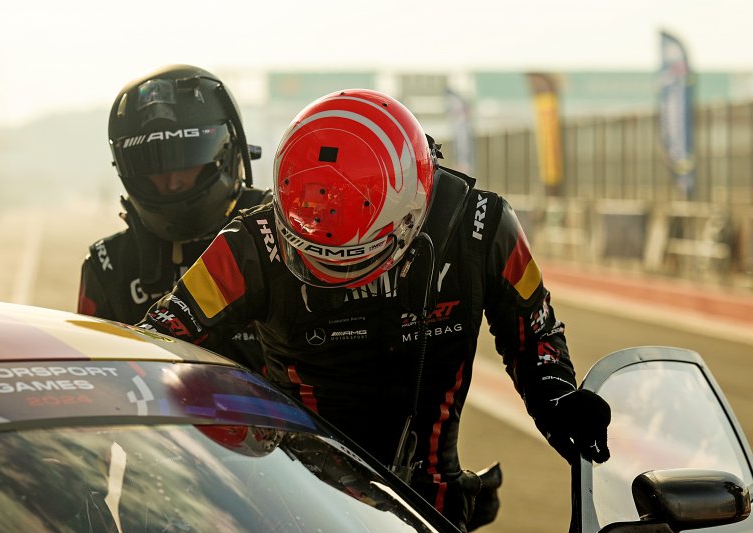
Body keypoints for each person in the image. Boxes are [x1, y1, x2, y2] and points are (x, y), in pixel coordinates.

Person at [136, 89, 611, 531]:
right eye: (318, 259)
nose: (339, 273)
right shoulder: (249, 245)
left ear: (413, 211)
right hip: (299, 498)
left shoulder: (482, 226)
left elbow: (534, 331)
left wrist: (556, 395)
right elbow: (150, 344)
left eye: (354, 260)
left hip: (433, 499)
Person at [78, 65, 271, 372]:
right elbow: (95, 377)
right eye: (155, 166)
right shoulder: (107, 264)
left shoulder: (277, 241)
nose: (172, 182)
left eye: (186, 161)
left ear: (227, 153)